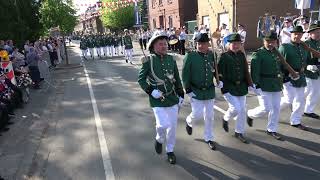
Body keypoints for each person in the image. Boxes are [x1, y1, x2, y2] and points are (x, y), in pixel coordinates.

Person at [138, 31, 184, 164]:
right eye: (160, 44)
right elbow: (141, 80)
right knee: (163, 124)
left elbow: (176, 77)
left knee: (173, 127)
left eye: (165, 44)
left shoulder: (171, 59)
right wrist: (151, 91)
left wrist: (180, 92)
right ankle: (159, 139)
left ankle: (170, 150)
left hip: (172, 97)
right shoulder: (149, 61)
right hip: (157, 99)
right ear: (153, 46)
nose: (164, 46)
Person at [182, 33, 223, 150]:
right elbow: (185, 73)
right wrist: (187, 88)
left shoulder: (212, 54)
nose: (200, 46)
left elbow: (215, 70)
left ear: (208, 44)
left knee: (210, 116)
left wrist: (219, 79)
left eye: (203, 43)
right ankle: (189, 121)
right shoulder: (190, 56)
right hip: (196, 90)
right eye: (198, 43)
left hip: (209, 90)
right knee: (197, 114)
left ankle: (209, 137)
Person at [218, 33, 256, 144]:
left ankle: (239, 132)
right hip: (229, 87)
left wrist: (250, 83)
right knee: (236, 109)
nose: (236, 46)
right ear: (229, 44)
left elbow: (245, 71)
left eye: (238, 44)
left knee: (243, 110)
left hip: (242, 87)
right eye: (234, 44)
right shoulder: (224, 56)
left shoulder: (241, 55)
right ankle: (225, 118)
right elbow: (219, 72)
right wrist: (221, 83)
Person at [247, 32, 283, 140]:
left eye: (273, 41)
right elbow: (254, 71)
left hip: (276, 84)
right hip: (263, 84)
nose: (271, 44)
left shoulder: (277, 52)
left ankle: (272, 129)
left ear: (276, 42)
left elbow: (280, 67)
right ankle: (250, 114)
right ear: (264, 41)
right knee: (266, 108)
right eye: (268, 41)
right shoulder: (258, 54)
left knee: (276, 108)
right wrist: (255, 85)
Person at [279, 26, 309, 130]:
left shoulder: (303, 46)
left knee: (300, 100)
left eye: (299, 34)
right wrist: (283, 77)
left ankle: (296, 121)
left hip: (300, 76)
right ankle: (273, 109)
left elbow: (305, 60)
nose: (297, 36)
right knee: (288, 100)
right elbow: (279, 63)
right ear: (291, 34)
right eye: (295, 34)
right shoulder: (284, 47)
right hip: (288, 77)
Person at [303, 24, 320, 119]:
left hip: (317, 72)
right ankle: (293, 104)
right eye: (316, 32)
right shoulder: (306, 44)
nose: (319, 34)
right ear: (310, 33)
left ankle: (309, 110)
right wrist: (307, 66)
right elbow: (301, 58)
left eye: (319, 32)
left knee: (316, 92)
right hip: (308, 72)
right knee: (305, 92)